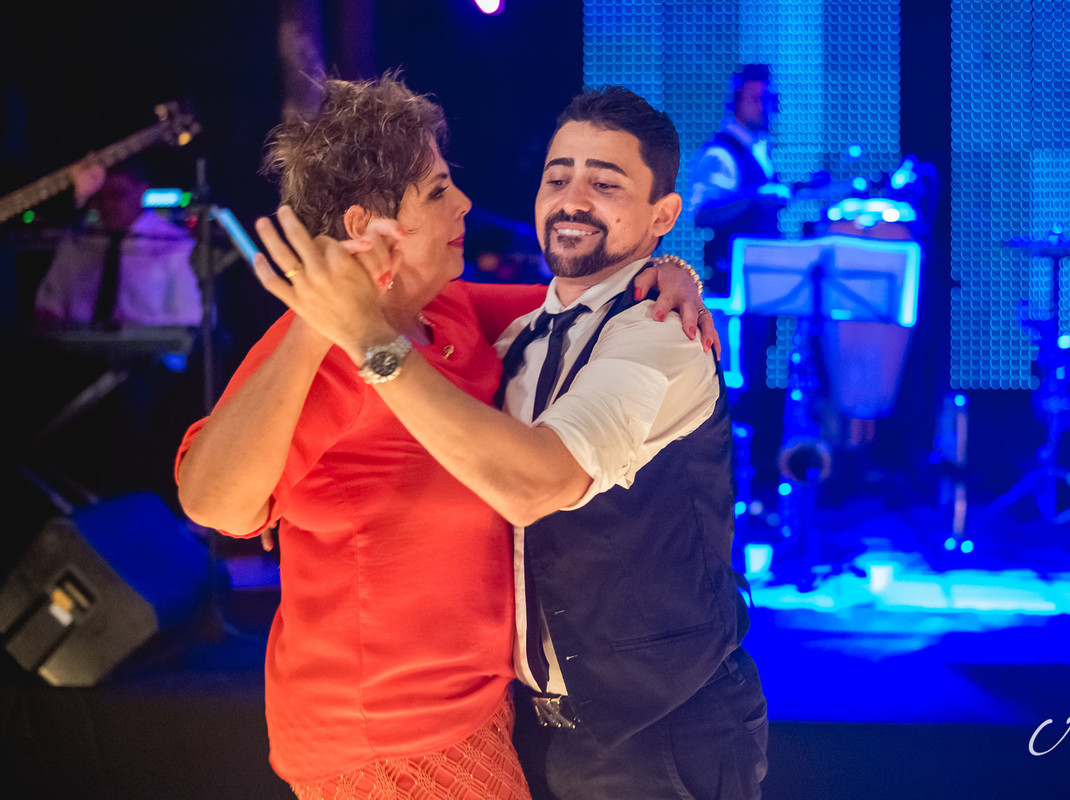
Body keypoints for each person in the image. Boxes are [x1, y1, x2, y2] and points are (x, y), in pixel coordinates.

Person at [174, 74, 711, 799]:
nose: (462, 202)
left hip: (469, 709)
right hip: (385, 735)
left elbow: (582, 297)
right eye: (435, 192)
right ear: (369, 229)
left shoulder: (447, 308)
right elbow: (215, 503)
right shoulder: (329, 354)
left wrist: (670, 267)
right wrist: (320, 321)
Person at [34, 161, 201, 328]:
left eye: (117, 195)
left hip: (148, 350)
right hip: (79, 349)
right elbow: (49, 305)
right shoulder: (78, 241)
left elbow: (188, 319)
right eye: (100, 197)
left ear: (141, 190)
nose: (107, 205)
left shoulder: (173, 244)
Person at [688, 63, 791, 298]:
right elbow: (702, 213)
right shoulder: (720, 154)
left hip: (763, 280)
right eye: (756, 100)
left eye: (768, 100)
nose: (764, 108)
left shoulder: (761, 149)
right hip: (732, 285)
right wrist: (754, 197)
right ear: (736, 102)